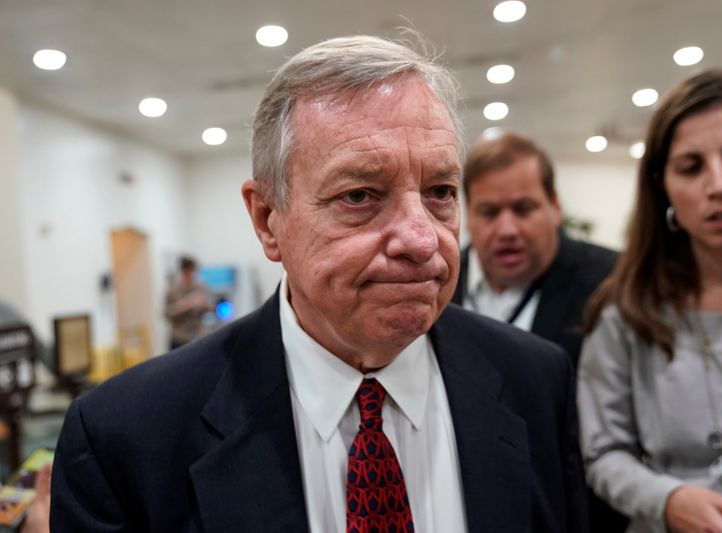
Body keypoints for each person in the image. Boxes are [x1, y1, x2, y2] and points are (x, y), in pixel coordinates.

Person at [51, 35, 588, 532]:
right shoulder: (125, 438)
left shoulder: (536, 382)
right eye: (360, 195)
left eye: (441, 192)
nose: (423, 240)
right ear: (267, 219)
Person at [578, 69, 722, 533]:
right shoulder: (627, 313)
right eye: (691, 167)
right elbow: (601, 452)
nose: (719, 185)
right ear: (664, 188)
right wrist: (668, 499)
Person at [451, 132, 617, 367]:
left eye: (523, 209)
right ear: (467, 215)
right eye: (489, 212)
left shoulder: (611, 282)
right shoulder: (437, 283)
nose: (506, 230)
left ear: (555, 207)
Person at [164, 255, 212, 349]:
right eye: (187, 272)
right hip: (179, 338)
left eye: (192, 271)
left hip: (197, 337)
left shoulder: (201, 288)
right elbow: (166, 314)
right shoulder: (173, 290)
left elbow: (212, 308)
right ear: (183, 271)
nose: (190, 275)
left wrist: (203, 304)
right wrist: (184, 305)